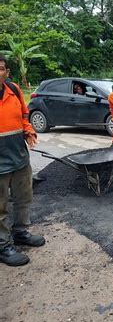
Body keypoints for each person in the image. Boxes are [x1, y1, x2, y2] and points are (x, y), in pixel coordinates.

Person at [0, 54, 45, 267]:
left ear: (7, 72)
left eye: (0, 68)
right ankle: (2, 246)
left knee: (23, 199)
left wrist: (29, 132)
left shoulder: (14, 90)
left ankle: (20, 232)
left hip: (19, 158)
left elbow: (24, 117)